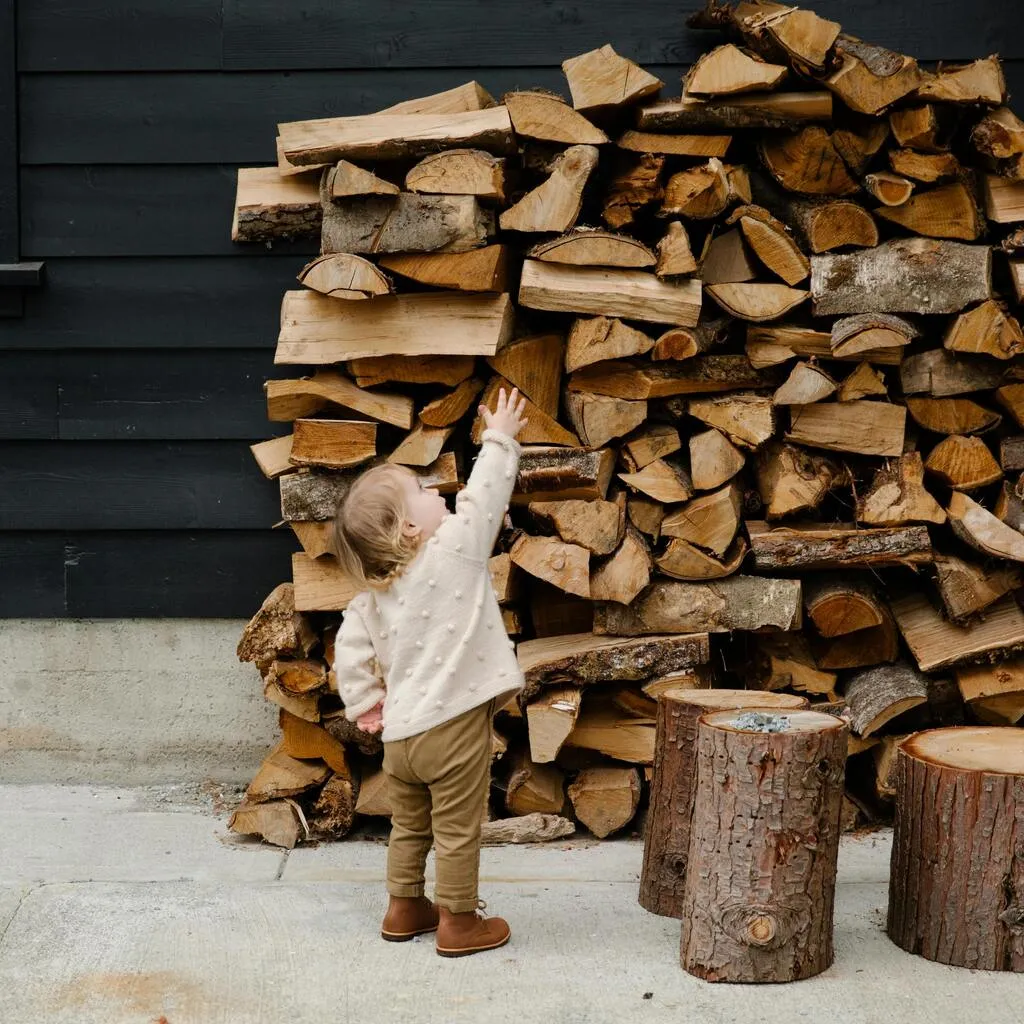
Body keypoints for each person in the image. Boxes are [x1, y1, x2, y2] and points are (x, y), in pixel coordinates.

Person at [332, 386, 529, 958]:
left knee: (410, 825)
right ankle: (460, 921)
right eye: (422, 490)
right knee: (458, 828)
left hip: (402, 736)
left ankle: (402, 907)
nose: (438, 489)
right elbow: (484, 499)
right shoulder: (453, 551)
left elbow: (349, 649)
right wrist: (500, 438)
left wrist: (366, 704)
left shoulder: (374, 595)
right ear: (409, 530)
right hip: (453, 726)